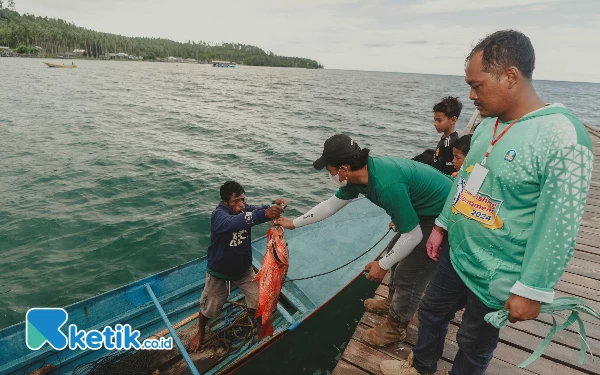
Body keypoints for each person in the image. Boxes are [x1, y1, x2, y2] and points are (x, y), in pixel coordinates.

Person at [379, 30, 593, 375]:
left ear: (510, 76)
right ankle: (419, 368)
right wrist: (442, 225)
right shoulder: (487, 126)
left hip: (500, 273)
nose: (470, 94)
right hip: (458, 253)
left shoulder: (563, 138)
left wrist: (533, 289)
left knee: (473, 344)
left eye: (477, 85)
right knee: (432, 312)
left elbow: (559, 225)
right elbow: (466, 180)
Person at [274, 134, 453, 347]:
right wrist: (294, 223)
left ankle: (395, 328)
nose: (329, 173)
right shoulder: (362, 175)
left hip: (445, 219)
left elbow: (413, 236)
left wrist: (382, 264)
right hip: (425, 209)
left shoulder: (386, 185)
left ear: (344, 168)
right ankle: (391, 303)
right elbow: (331, 205)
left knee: (409, 275)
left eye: (329, 169)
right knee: (396, 253)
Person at [190, 181, 287, 352]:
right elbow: (235, 223)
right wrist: (264, 214)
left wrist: (275, 206)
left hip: (244, 271)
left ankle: (261, 331)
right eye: (236, 201)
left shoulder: (244, 209)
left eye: (243, 199)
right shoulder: (219, 216)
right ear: (225, 202)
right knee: (209, 309)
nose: (241, 204)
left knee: (260, 302)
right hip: (219, 274)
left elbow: (258, 210)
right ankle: (201, 331)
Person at [432, 97, 462, 175]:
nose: (435, 124)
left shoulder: (450, 142)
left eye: (439, 120)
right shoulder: (445, 139)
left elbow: (450, 170)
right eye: (434, 120)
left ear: (453, 120)